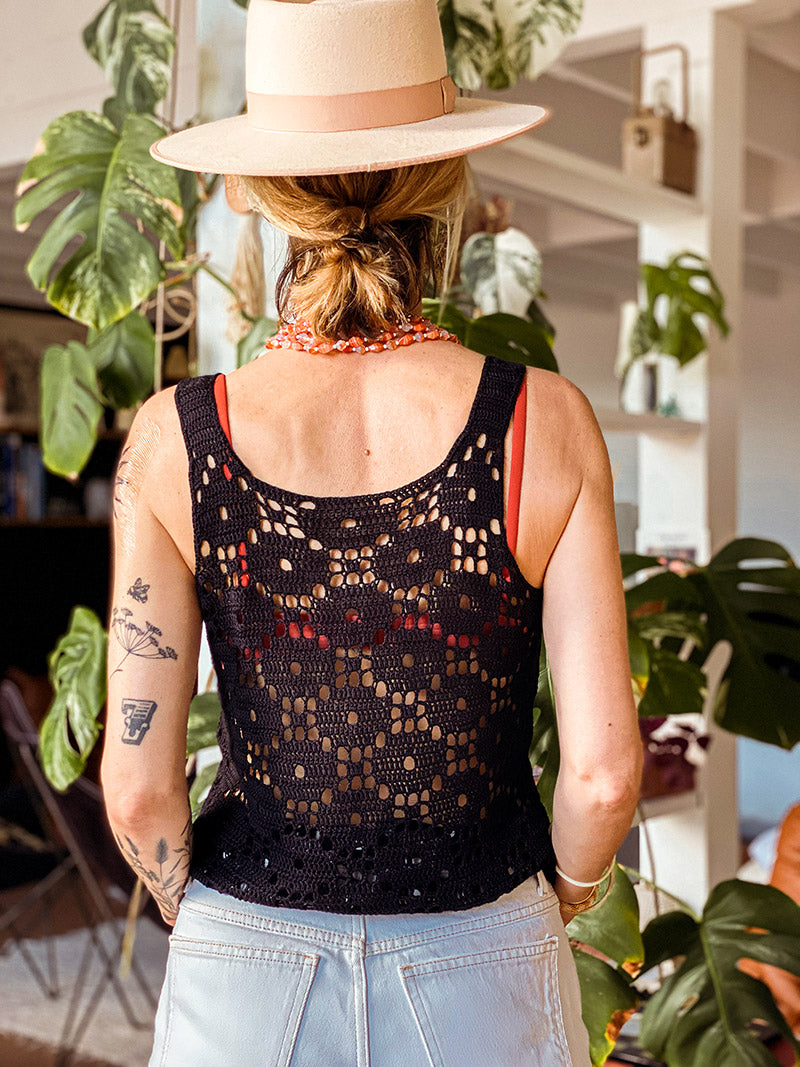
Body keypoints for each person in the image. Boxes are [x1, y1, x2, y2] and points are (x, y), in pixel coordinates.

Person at [100, 0, 643, 1063]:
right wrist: (569, 895)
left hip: (244, 961)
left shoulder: (173, 437)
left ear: (262, 192)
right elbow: (601, 776)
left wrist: (193, 907)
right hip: (482, 952)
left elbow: (139, 786)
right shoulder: (543, 420)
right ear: (445, 180)